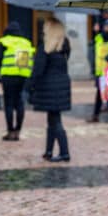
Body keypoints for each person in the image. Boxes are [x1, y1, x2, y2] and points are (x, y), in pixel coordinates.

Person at [29, 17, 71, 162]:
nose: (43, 30)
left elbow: (37, 71)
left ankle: (65, 152)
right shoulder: (64, 48)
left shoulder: (45, 49)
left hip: (49, 86)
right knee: (53, 119)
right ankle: (48, 150)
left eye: (45, 27)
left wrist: (29, 87)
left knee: (55, 121)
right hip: (61, 85)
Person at [0, 22, 34, 141]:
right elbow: (26, 61)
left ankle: (10, 131)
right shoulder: (25, 42)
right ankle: (18, 131)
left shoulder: (5, 41)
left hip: (8, 76)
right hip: (22, 75)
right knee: (19, 103)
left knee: (9, 103)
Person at [87, 18, 108, 123]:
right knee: (99, 94)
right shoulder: (99, 37)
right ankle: (96, 115)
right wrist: (95, 31)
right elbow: (94, 47)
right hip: (100, 71)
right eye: (107, 25)